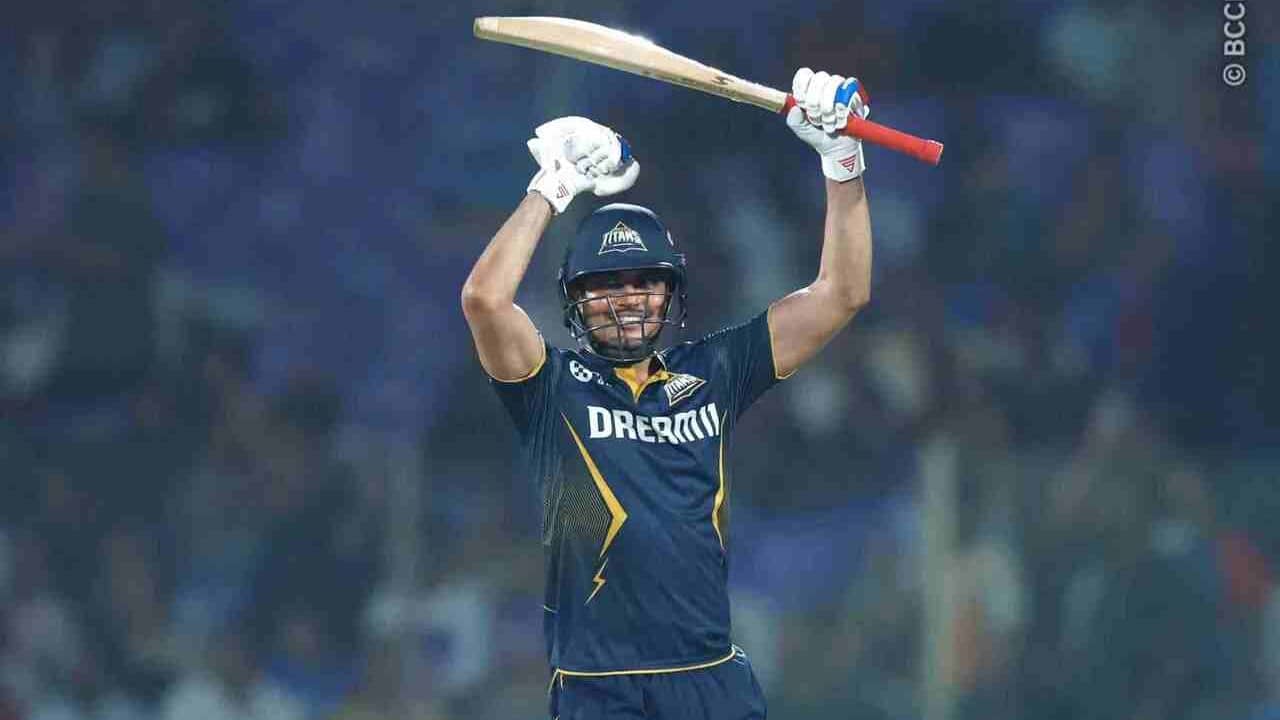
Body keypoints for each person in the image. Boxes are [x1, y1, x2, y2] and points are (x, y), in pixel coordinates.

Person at [460, 67, 873, 720]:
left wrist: (842, 163)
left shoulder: (714, 371)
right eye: (606, 283)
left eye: (643, 281)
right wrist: (551, 186)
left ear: (671, 294)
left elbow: (842, 293)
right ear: (573, 301)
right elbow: (484, 300)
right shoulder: (549, 389)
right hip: (597, 688)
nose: (626, 298)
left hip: (710, 682)